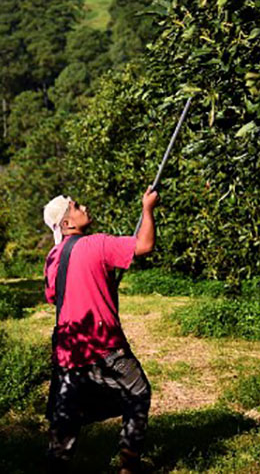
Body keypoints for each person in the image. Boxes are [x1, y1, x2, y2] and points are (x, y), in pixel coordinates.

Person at [42, 188, 159, 473]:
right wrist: (148, 209)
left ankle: (57, 464)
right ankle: (129, 465)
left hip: (69, 348)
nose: (83, 206)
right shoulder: (97, 245)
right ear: (68, 224)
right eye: (76, 206)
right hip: (104, 344)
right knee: (138, 392)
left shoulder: (53, 257)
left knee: (67, 412)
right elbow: (144, 245)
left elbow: (53, 296)